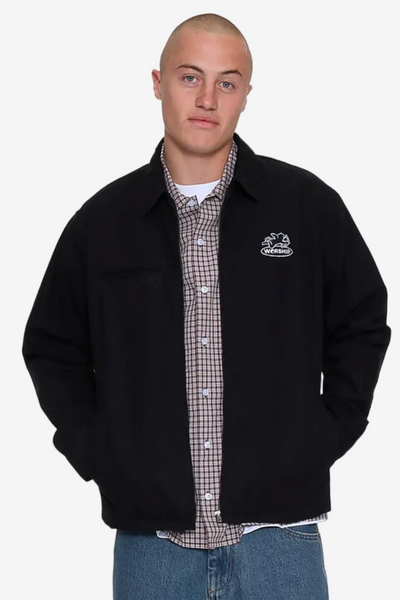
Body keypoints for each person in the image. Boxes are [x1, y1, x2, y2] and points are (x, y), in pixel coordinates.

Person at [22, 12, 391, 600]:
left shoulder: (305, 208)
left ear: (247, 93)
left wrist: (324, 434)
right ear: (158, 82)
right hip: (152, 547)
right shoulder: (103, 224)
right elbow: (52, 347)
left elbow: (362, 322)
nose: (207, 99)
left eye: (227, 82)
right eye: (190, 77)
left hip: (280, 541)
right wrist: (101, 452)